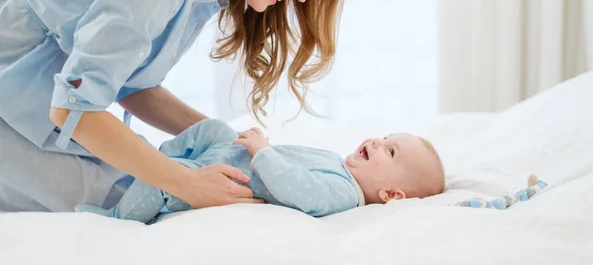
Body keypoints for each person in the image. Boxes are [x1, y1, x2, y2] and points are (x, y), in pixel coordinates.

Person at [0, 0, 347, 212]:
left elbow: (131, 87)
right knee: (120, 199)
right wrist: (187, 183)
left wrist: (224, 139)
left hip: (33, 89)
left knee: (140, 190)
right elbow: (74, 106)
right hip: (16, 73)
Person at [76, 118, 446, 223]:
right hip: (228, 153)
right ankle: (152, 152)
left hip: (217, 178)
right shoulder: (339, 165)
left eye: (390, 150)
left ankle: (116, 218)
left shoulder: (344, 195)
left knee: (162, 178)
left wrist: (264, 151)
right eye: (384, 137)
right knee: (215, 128)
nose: (376, 142)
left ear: (392, 195)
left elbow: (297, 189)